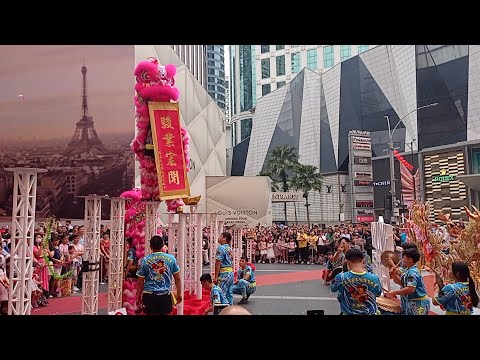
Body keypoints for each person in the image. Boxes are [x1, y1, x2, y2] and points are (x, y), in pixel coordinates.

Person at [136, 235, 182, 315]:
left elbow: (140, 282)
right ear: (163, 245)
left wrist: (138, 297)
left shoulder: (145, 260)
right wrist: (179, 294)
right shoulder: (171, 259)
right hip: (164, 296)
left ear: (150, 247)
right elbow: (177, 279)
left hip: (149, 296)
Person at [330, 248, 382, 315]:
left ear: (348, 262)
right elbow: (378, 293)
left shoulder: (341, 277)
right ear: (363, 261)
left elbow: (333, 288)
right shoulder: (375, 278)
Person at [386, 247, 430, 315]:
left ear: (410, 259)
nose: (402, 260)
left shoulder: (412, 273)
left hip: (419, 303)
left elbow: (410, 289)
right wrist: (393, 274)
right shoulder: (408, 270)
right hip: (412, 302)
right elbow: (402, 284)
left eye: (404, 258)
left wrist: (394, 292)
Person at [214, 232, 234, 305]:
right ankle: (230, 310)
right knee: (229, 293)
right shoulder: (229, 248)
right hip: (230, 273)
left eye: (221, 236)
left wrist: (216, 277)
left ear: (224, 238)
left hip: (224, 273)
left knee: (221, 293)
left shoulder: (221, 248)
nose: (219, 237)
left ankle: (223, 310)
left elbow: (218, 262)